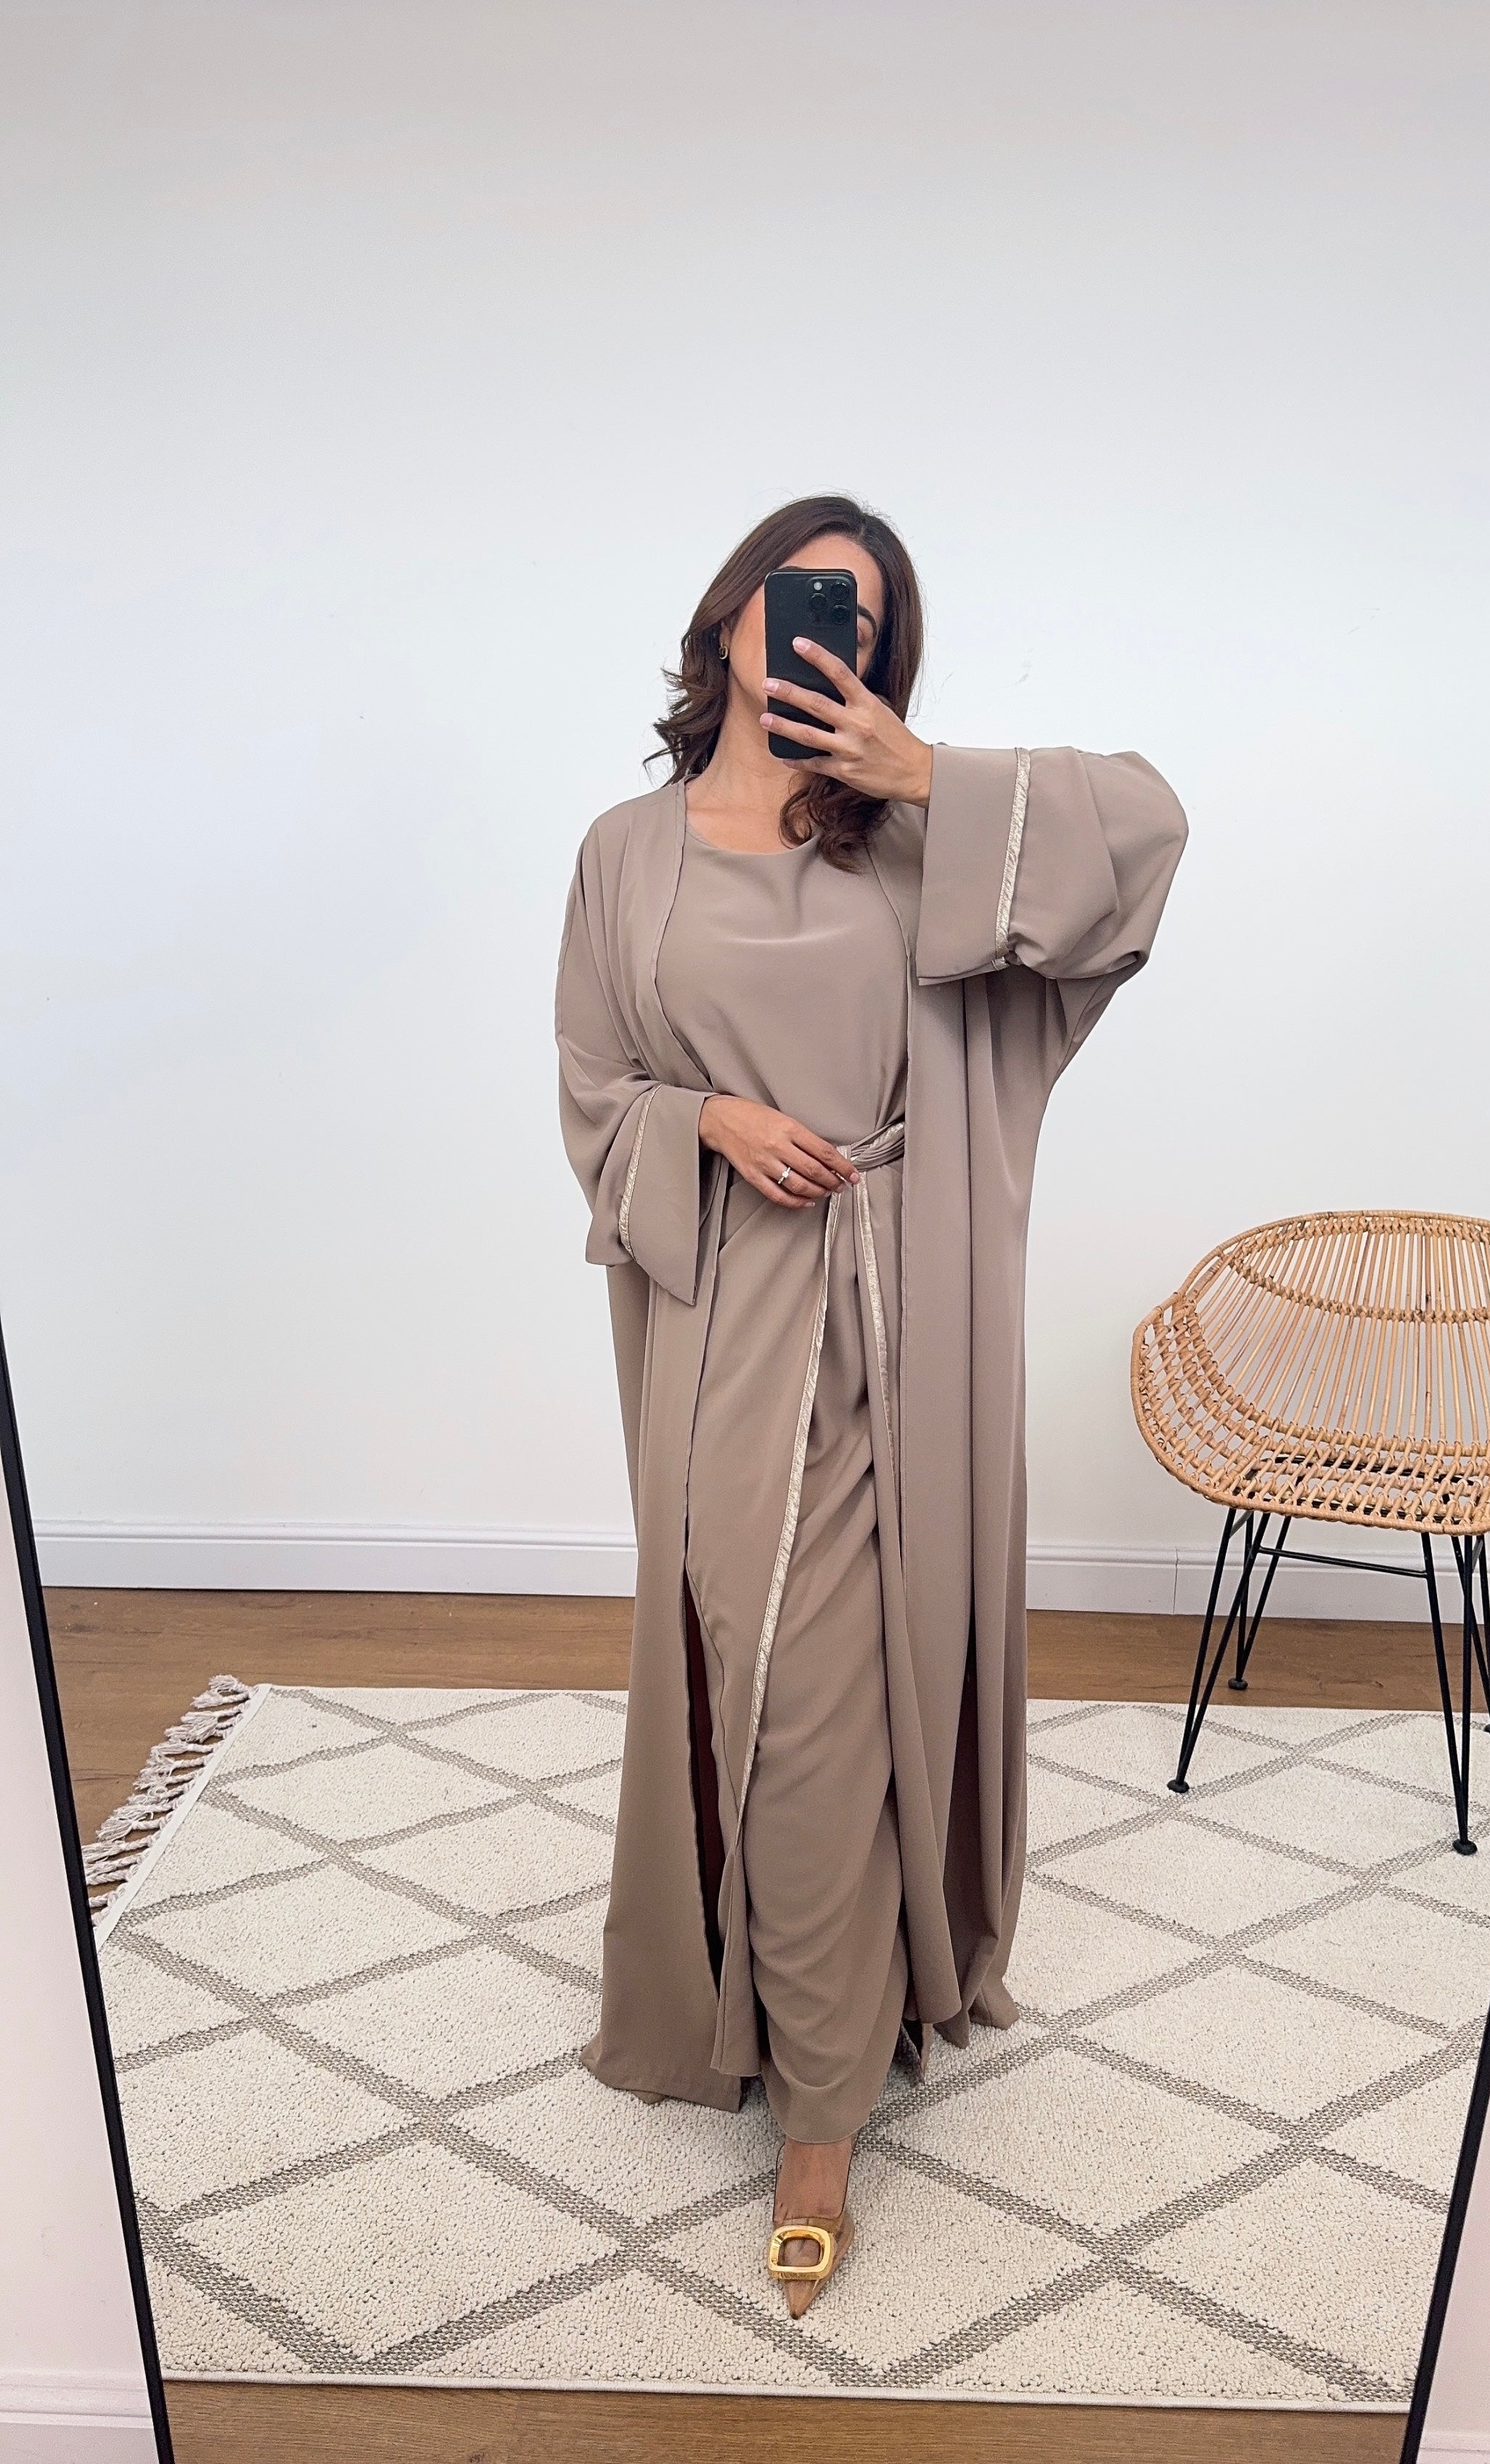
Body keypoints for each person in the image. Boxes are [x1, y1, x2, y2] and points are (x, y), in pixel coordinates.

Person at [556, 494, 1186, 2315]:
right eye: (797, 590)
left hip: (898, 1313)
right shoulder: (621, 854)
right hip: (721, 1315)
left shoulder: (913, 839)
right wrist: (706, 1120)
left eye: (862, 611)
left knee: (826, 1698)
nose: (819, 620)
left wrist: (927, 775)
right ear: (729, 615)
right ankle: (757, 1989)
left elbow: (1148, 828)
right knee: (734, 1662)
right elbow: (593, 1085)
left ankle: (821, 2113)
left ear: (882, 657)